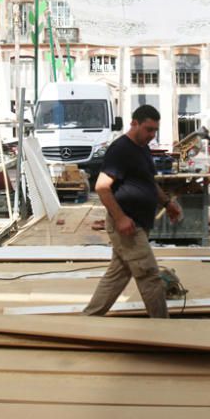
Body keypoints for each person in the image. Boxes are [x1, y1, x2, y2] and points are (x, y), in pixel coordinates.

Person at [83, 105, 182, 318]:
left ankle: (89, 318)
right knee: (149, 276)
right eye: (148, 129)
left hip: (139, 224)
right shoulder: (120, 149)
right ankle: (163, 327)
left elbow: (148, 182)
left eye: (155, 130)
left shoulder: (142, 147)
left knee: (117, 275)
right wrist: (120, 218)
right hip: (129, 226)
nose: (152, 135)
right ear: (134, 123)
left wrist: (167, 203)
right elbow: (101, 187)